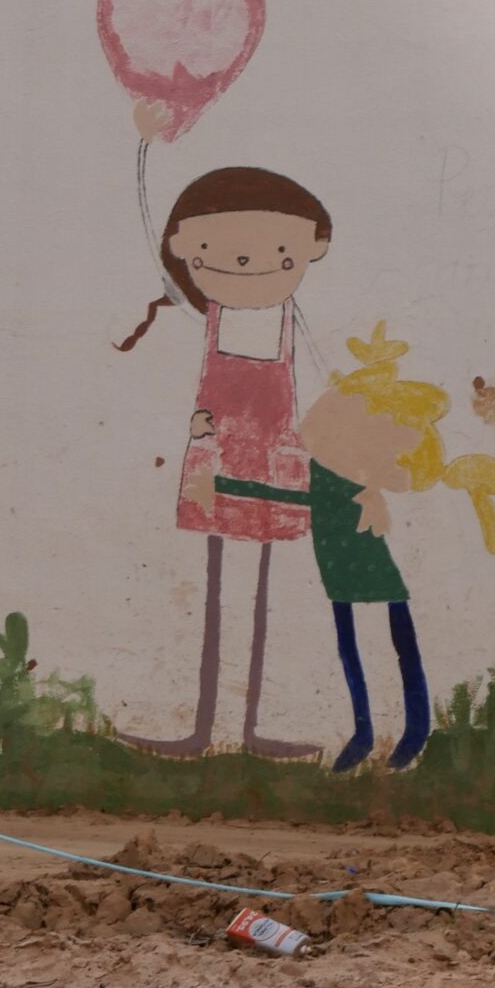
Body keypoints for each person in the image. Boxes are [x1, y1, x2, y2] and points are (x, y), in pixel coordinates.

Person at [185, 323, 495, 772]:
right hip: (338, 572)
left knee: (393, 645)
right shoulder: (328, 472)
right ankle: (366, 732)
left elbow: (288, 496)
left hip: (368, 569)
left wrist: (221, 486)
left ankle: (413, 728)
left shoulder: (350, 478)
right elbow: (288, 495)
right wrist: (220, 485)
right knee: (355, 650)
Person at [117, 167, 332, 759]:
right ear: (186, 248)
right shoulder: (196, 321)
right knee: (213, 592)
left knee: (259, 596)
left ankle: (249, 727)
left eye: (282, 252)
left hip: (273, 467)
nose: (249, 264)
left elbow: (328, 388)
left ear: (312, 248)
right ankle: (204, 727)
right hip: (214, 465)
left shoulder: (300, 328)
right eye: (219, 250)